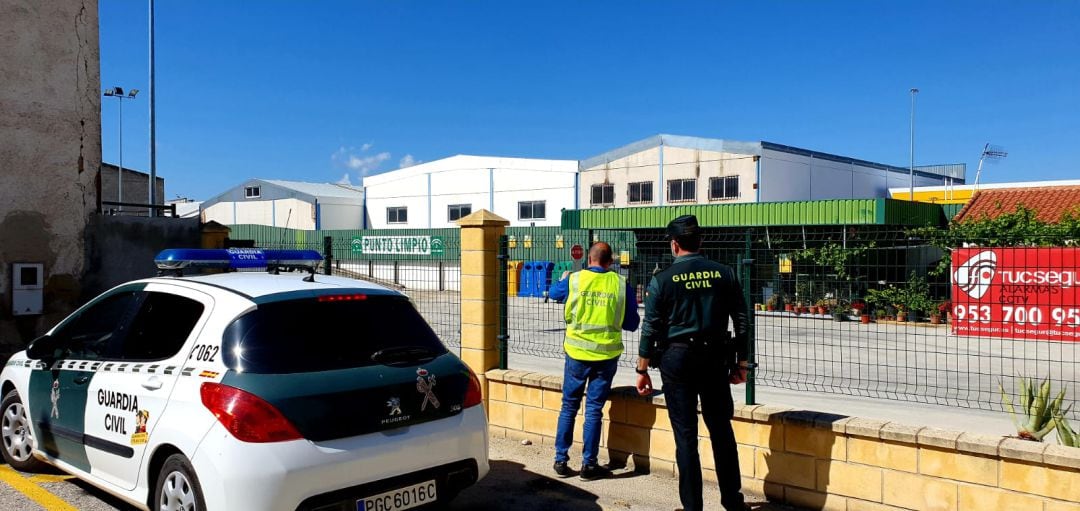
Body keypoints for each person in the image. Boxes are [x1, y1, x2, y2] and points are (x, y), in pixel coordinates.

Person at [635, 215, 750, 511]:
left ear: (674, 244)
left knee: (685, 436)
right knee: (721, 430)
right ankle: (733, 501)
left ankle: (692, 507)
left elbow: (650, 327)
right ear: (700, 241)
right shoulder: (725, 273)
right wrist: (743, 363)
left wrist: (642, 369)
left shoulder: (662, 280)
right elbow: (742, 321)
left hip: (677, 360)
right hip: (715, 359)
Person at [547, 241, 640, 480]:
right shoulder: (621, 285)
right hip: (606, 357)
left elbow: (554, 293)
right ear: (610, 262)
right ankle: (589, 465)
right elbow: (632, 323)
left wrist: (564, 278)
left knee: (569, 406)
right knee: (594, 410)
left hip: (576, 354)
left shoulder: (575, 280)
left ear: (589, 259)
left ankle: (560, 460)